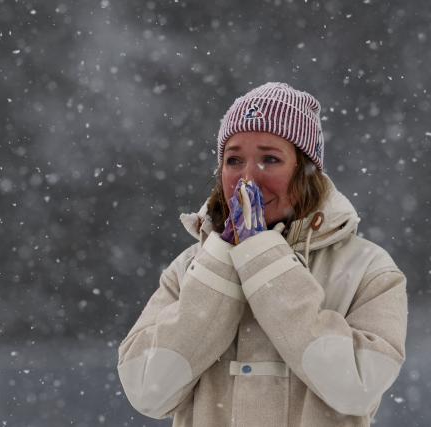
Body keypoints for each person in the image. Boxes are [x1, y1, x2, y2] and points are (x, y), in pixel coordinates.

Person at [117, 82, 408, 426]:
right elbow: (147, 391)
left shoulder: (368, 269)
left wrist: (261, 257)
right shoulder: (189, 268)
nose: (248, 177)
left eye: (270, 159)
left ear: (306, 171)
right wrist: (223, 261)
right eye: (234, 160)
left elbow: (356, 388)